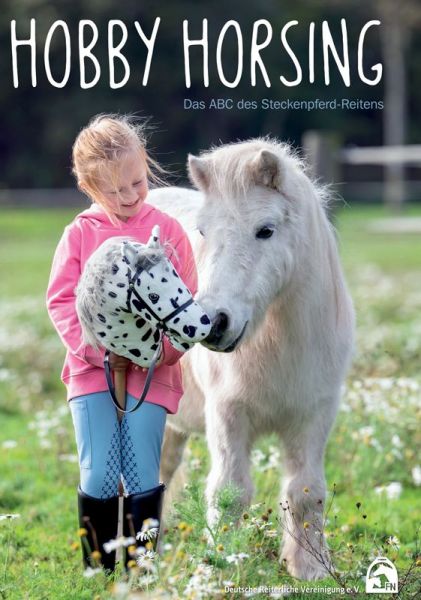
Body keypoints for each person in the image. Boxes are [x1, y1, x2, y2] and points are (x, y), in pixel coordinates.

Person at [46, 114, 197, 572]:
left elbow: (184, 305)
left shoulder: (168, 232)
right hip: (92, 372)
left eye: (138, 182)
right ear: (89, 187)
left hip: (153, 375)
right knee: (99, 471)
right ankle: (99, 569)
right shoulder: (80, 233)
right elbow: (61, 301)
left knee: (140, 472)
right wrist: (97, 352)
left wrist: (158, 353)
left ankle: (142, 566)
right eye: (115, 191)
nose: (130, 197)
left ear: (146, 165)